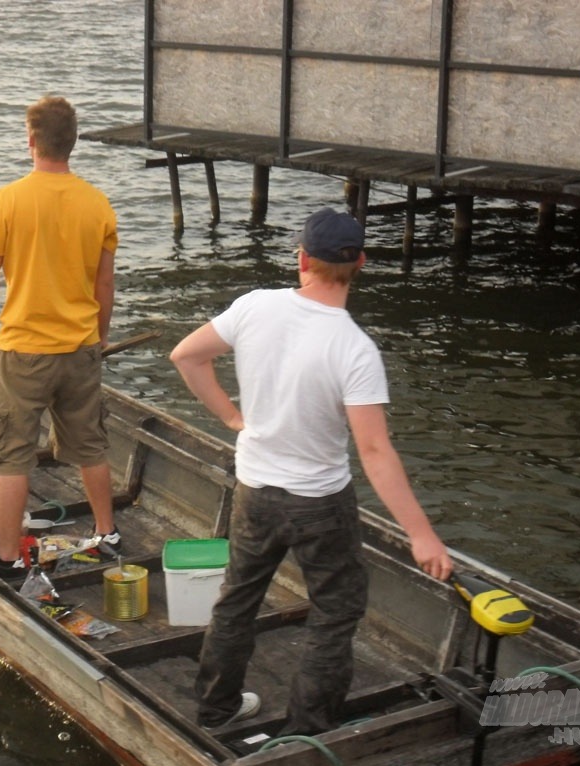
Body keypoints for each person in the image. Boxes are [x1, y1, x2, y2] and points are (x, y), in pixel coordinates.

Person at [169, 207, 453, 735]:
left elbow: (186, 356)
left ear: (301, 258)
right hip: (321, 503)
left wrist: (233, 417)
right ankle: (307, 734)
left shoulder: (256, 306)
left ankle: (216, 710)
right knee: (334, 613)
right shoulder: (356, 349)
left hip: (256, 489)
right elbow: (373, 450)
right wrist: (422, 535)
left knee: (236, 600)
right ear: (360, 264)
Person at [0, 95, 120, 578]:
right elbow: (104, 284)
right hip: (80, 347)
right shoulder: (97, 203)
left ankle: (7, 556)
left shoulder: (9, 199)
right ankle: (105, 532)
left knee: (11, 453)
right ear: (72, 144)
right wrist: (97, 336)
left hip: (23, 351)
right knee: (90, 443)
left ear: (31, 141)